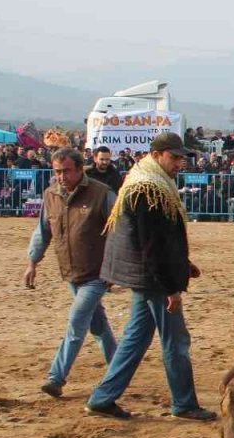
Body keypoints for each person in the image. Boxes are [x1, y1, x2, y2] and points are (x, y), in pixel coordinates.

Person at [85, 133, 215, 422]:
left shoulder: (145, 180)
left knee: (135, 338)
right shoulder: (149, 188)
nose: (180, 163)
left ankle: (103, 398)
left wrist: (183, 262)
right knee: (175, 341)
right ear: (157, 155)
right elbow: (152, 245)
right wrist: (171, 287)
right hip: (153, 279)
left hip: (146, 276)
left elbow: (158, 240)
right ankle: (183, 403)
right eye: (175, 157)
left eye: (182, 157)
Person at [23, 148, 118, 398]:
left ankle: (56, 377)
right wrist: (32, 262)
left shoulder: (101, 194)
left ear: (79, 169)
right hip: (71, 272)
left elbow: (120, 232)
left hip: (97, 273)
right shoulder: (51, 194)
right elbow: (43, 231)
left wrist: (114, 268)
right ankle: (119, 367)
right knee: (97, 325)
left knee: (77, 322)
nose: (61, 177)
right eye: (57, 172)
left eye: (66, 171)